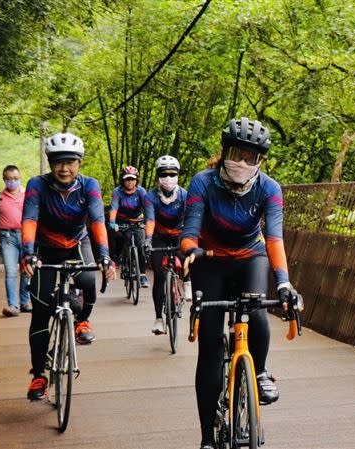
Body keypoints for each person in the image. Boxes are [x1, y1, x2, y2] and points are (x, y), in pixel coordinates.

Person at [181, 117, 303, 449]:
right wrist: (190, 250)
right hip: (210, 260)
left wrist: (283, 285)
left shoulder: (269, 188)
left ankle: (260, 372)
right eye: (237, 153)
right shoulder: (202, 182)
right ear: (223, 152)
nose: (243, 163)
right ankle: (207, 438)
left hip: (251, 255)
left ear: (260, 161)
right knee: (209, 344)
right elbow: (190, 229)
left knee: (257, 310)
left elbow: (275, 239)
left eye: (252, 157)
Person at [20, 132, 114, 400]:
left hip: (76, 243)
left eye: (70, 161)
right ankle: (39, 375)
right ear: (50, 163)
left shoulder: (89, 185)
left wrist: (105, 255)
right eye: (58, 162)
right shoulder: (37, 184)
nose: (64, 168)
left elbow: (97, 220)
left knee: (87, 282)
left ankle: (81, 322)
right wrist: (28, 253)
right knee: (40, 312)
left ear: (80, 162)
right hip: (45, 250)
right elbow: (29, 218)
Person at [144, 155, 188, 335]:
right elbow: (150, 219)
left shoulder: (185, 195)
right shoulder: (150, 196)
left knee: (188, 256)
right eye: (164, 174)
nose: (168, 178)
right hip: (158, 237)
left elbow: (191, 218)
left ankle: (187, 281)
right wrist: (147, 239)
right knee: (160, 277)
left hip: (179, 234)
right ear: (158, 175)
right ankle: (159, 319)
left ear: (178, 175)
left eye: (172, 174)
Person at [0, 165, 31, 317]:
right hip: (7, 237)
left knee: (26, 270)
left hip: (26, 236)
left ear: (20, 178)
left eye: (15, 179)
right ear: (4, 179)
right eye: (9, 179)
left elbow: (34, 217)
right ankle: (12, 305)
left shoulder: (27, 194)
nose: (12, 182)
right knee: (11, 272)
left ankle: (25, 302)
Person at [108, 166, 153, 288]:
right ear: (123, 180)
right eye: (127, 179)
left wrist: (150, 221)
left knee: (142, 246)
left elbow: (148, 209)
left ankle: (142, 275)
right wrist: (112, 222)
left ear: (136, 180)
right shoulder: (118, 192)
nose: (130, 182)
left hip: (138, 221)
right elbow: (114, 208)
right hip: (122, 222)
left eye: (132, 179)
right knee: (120, 237)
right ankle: (120, 259)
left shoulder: (141, 192)